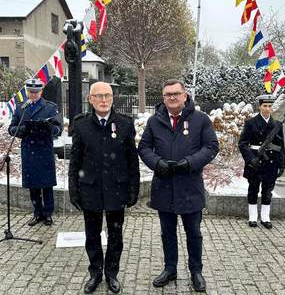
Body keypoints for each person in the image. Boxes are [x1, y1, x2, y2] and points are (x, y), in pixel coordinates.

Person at [138, 79, 219, 293]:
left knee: (194, 232)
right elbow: (144, 147)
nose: (172, 98)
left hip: (190, 185)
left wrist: (191, 162)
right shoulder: (154, 121)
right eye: (167, 95)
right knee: (167, 232)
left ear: (185, 95)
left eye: (176, 94)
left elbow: (211, 146)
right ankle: (170, 268)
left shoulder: (200, 119)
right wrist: (157, 163)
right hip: (164, 186)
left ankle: (196, 271)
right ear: (163, 98)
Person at [68, 81, 140, 294]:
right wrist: (74, 190)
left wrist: (133, 189)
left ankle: (111, 273)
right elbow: (75, 161)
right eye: (98, 96)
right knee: (92, 235)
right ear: (90, 99)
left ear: (112, 98)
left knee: (116, 236)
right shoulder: (81, 125)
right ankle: (95, 273)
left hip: (117, 189)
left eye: (107, 95)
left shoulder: (125, 124)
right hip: (90, 189)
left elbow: (132, 160)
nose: (103, 100)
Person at [8, 78, 62, 226]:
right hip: (29, 150)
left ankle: (48, 214)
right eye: (31, 92)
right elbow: (11, 128)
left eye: (36, 92)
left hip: (44, 149)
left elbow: (59, 129)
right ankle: (37, 213)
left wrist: (49, 127)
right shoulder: (21, 107)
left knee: (47, 184)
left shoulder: (50, 107)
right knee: (33, 185)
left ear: (41, 92)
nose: (33, 95)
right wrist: (21, 130)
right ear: (27, 92)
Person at [238, 94, 285, 229]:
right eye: (265, 106)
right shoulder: (250, 123)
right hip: (255, 161)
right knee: (253, 188)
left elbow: (281, 146)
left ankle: (265, 217)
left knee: (267, 190)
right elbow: (242, 144)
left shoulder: (276, 125)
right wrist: (250, 159)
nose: (267, 109)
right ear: (259, 106)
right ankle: (253, 217)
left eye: (270, 106)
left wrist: (282, 164)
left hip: (271, 162)